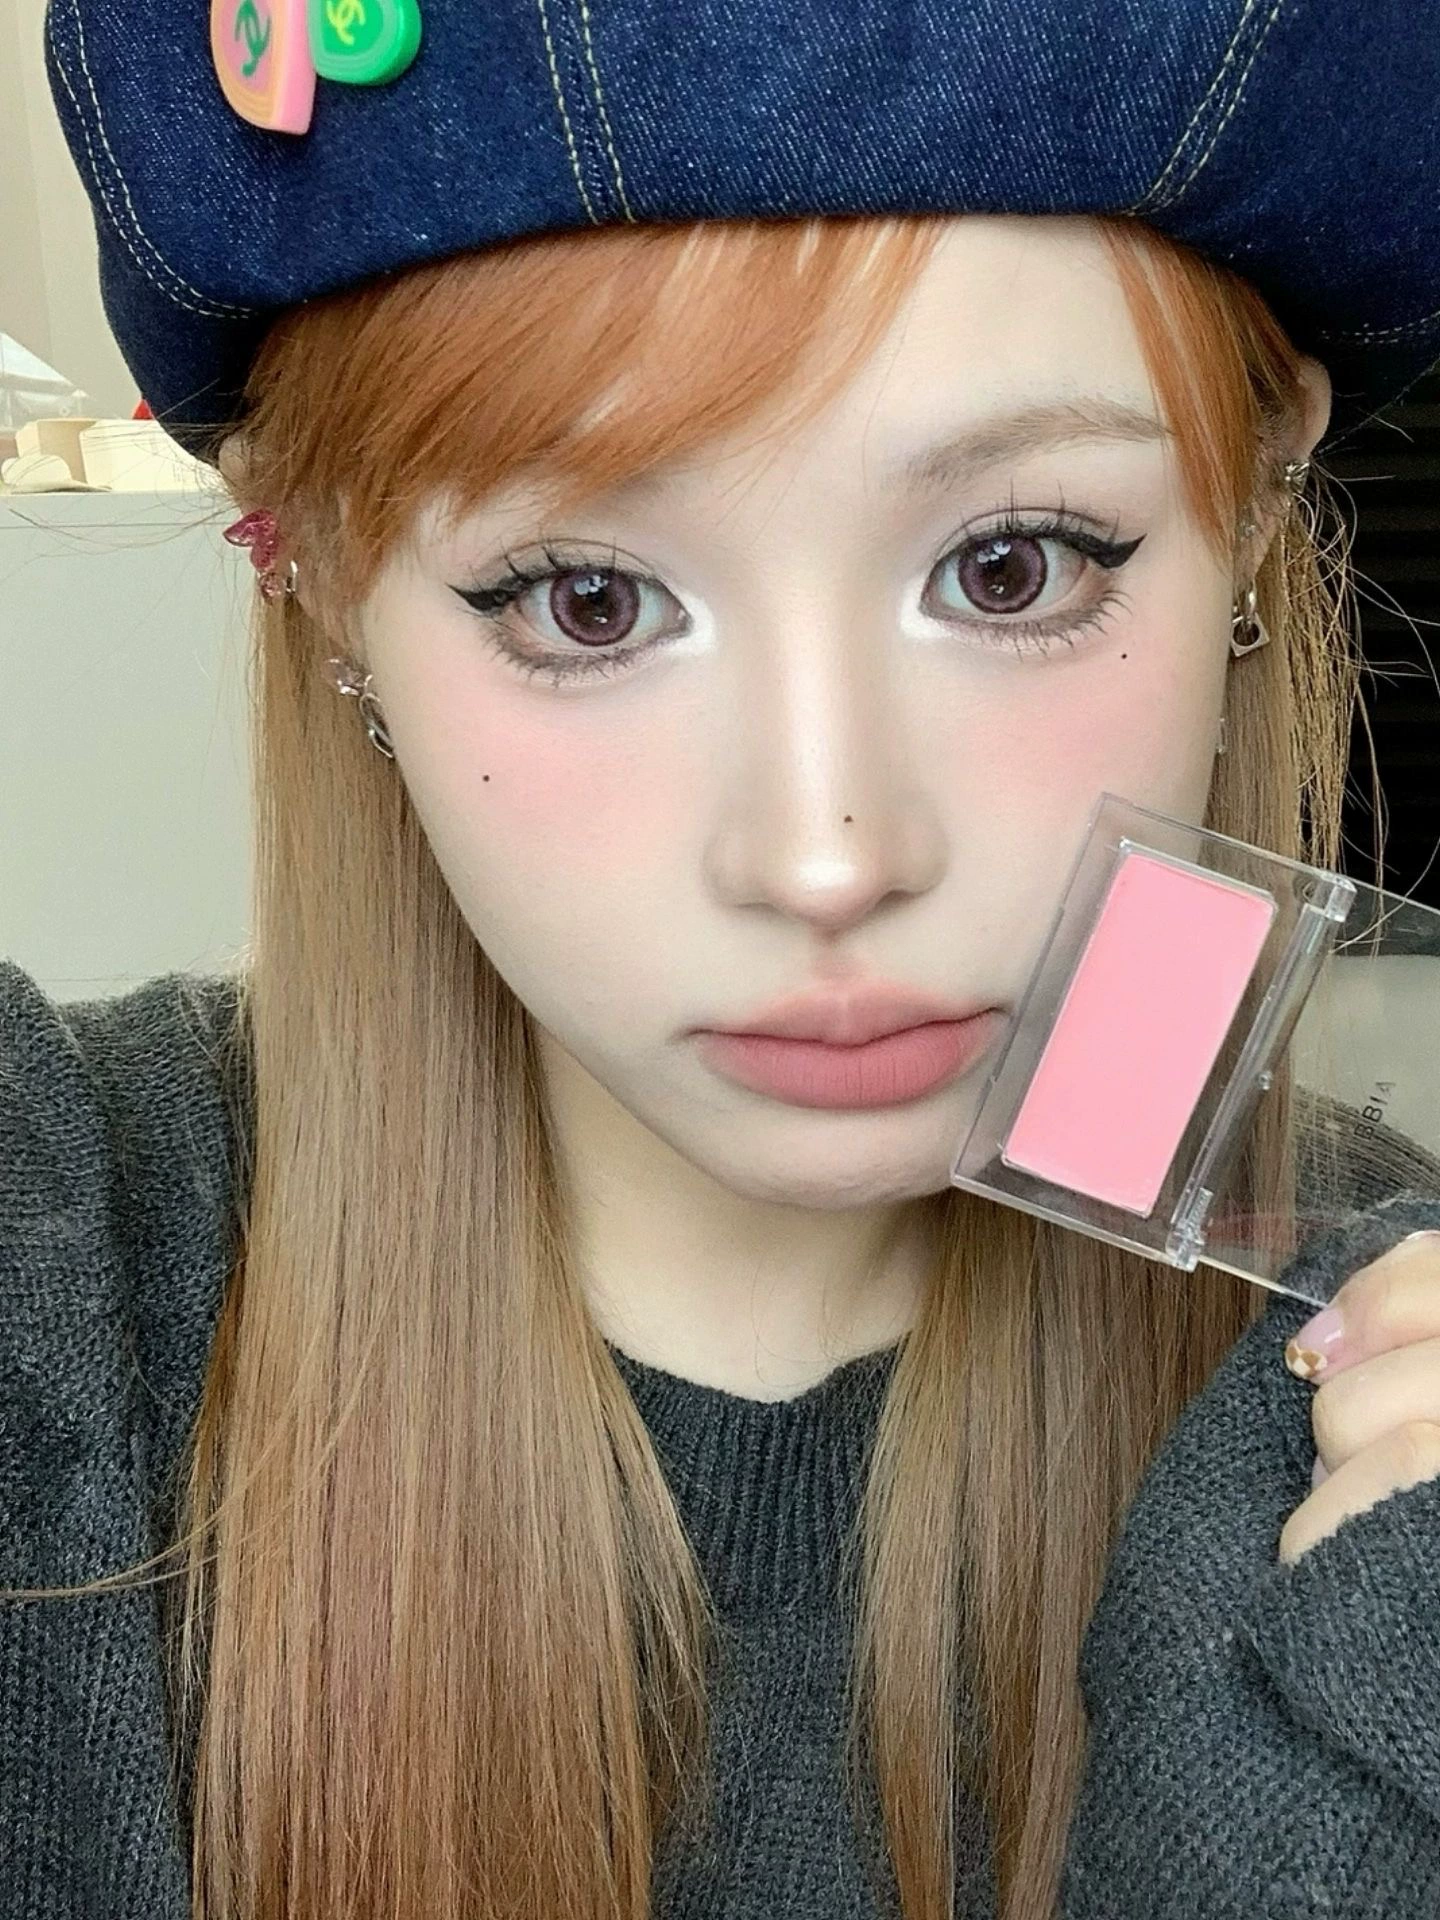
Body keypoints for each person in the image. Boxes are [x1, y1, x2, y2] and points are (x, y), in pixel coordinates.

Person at [5, 3, 1440, 1917]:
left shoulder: (1393, 1367)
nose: (827, 855)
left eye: (1011, 567)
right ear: (320, 572)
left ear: (1254, 512)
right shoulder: (53, 1258)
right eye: (590, 599)